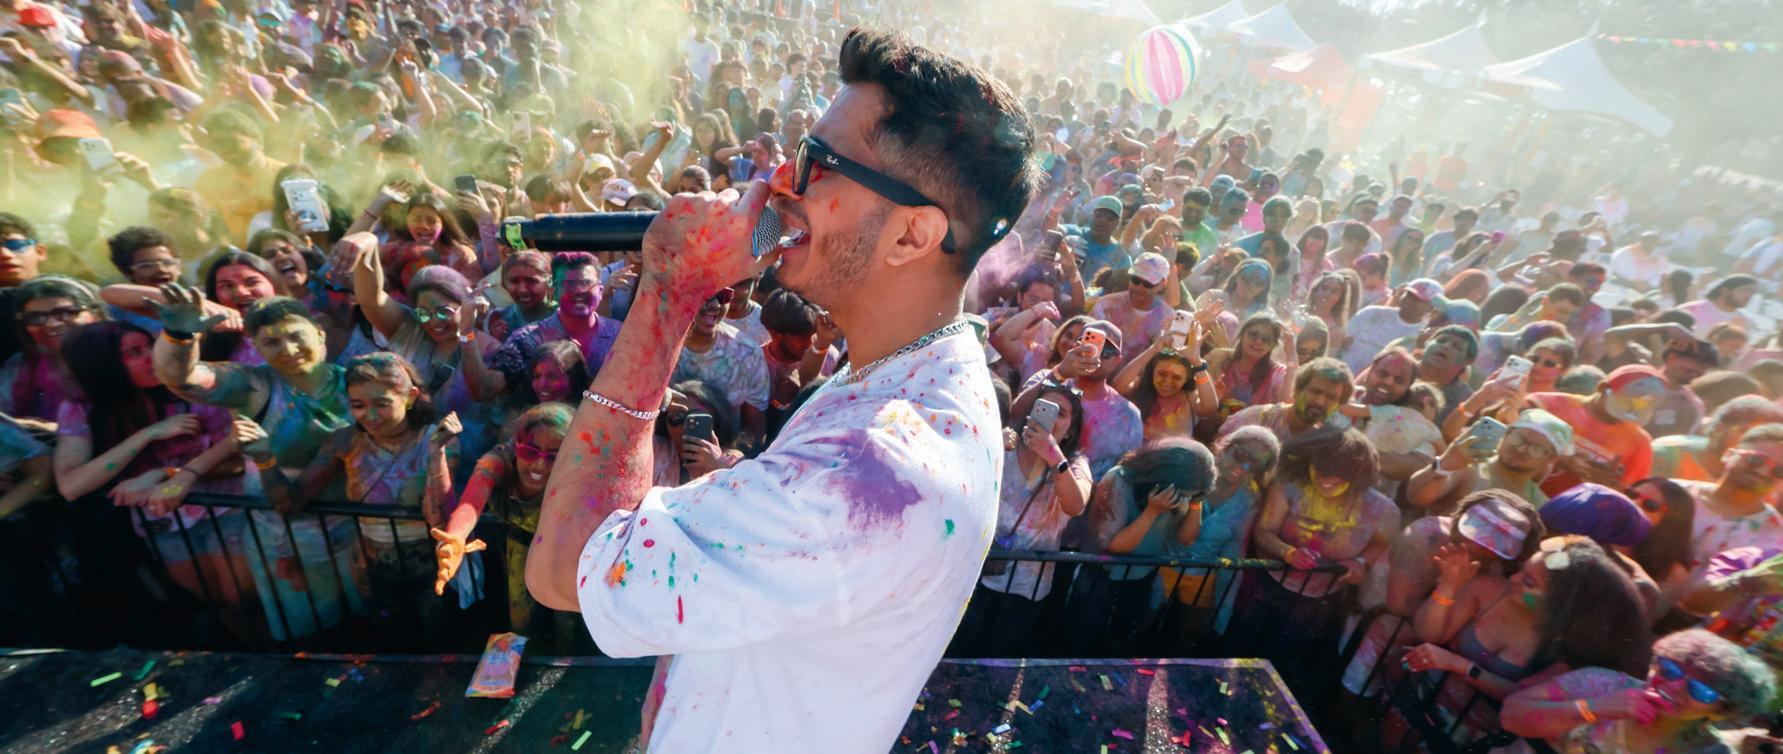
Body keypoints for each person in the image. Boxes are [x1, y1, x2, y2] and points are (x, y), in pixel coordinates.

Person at [527, 30, 1038, 752]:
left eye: (818, 164)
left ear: (911, 235)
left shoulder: (870, 470)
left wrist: (670, 292)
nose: (778, 183)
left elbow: (562, 566)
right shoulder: (916, 370)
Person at [149, 290, 361, 641]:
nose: (288, 349)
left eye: (296, 335)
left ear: (320, 333)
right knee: (312, 639)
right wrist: (179, 337)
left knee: (370, 628)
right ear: (257, 348)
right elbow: (183, 379)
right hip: (288, 543)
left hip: (358, 535)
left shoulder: (355, 382)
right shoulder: (254, 385)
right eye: (271, 342)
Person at [52, 321, 258, 637]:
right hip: (163, 523)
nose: (152, 356)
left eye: (150, 345)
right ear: (104, 366)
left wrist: (165, 474)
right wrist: (148, 434)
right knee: (218, 602)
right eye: (135, 352)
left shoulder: (196, 386)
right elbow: (71, 486)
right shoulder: (82, 407)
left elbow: (242, 457)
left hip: (227, 508)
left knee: (242, 598)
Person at [1404, 536, 1653, 737]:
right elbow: (1428, 634)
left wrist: (1460, 665)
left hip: (1473, 732)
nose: (1514, 579)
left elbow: (1520, 698)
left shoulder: (1567, 650)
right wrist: (1449, 584)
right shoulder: (1489, 591)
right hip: (1421, 700)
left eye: (1529, 582)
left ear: (1559, 604)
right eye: (1522, 570)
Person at [1243, 427, 1398, 683]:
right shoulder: (1289, 486)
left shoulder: (1382, 509)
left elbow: (1380, 544)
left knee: (1289, 668)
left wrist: (1361, 563)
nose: (1326, 479)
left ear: (1357, 474)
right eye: (1320, 469)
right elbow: (1264, 531)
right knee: (1246, 652)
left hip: (1324, 603)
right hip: (1269, 589)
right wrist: (1287, 552)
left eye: (1337, 474)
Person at [431, 402, 586, 651]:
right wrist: (456, 536)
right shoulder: (497, 461)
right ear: (517, 446)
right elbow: (472, 501)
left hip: (566, 553)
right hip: (520, 548)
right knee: (521, 620)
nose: (539, 465)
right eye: (530, 452)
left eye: (553, 456)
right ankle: (524, 665)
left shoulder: (583, 470)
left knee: (568, 622)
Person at [956, 382, 1090, 653]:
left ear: (1071, 430)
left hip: (1027, 585)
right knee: (962, 650)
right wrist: (990, 446)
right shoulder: (1006, 445)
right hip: (976, 574)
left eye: (1061, 413)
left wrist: (1054, 457)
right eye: (1044, 408)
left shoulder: (1074, 464)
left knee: (1003, 656)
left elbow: (1075, 506)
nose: (1051, 416)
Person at [1501, 629, 1776, 753]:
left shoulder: (1709, 751)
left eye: (1700, 690)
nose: (1673, 685)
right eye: (1669, 669)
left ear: (1721, 712)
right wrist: (1593, 708)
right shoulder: (1602, 683)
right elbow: (1510, 716)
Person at [1075, 437, 1218, 652]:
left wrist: (1196, 501)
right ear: (1163, 477)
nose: (1183, 499)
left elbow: (1186, 539)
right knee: (1085, 638)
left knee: (1120, 641)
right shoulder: (1119, 479)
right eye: (1183, 495)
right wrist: (1152, 512)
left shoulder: (1183, 490)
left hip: (1141, 576)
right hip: (1101, 576)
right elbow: (1111, 543)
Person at [1154, 426, 1280, 635]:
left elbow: (1235, 551)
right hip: (1161, 564)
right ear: (1225, 446)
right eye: (1241, 455)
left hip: (1204, 575)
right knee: (1146, 622)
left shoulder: (1249, 500)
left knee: (1189, 633)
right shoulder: (1192, 471)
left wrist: (1224, 606)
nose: (1244, 466)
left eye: (1256, 465)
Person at [471, 252, 622, 403]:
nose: (579, 291)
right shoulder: (526, 340)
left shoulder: (620, 335)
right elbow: (487, 390)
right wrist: (466, 333)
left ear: (600, 291)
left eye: (586, 283)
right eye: (569, 284)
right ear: (553, 291)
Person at [1015, 321, 1144, 478]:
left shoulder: (1128, 416)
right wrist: (1059, 373)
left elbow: (1124, 474)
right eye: (1089, 344)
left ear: (1118, 360)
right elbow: (1016, 415)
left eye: (1106, 350)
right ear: (1075, 347)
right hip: (1024, 484)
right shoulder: (1047, 379)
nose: (1096, 353)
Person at [1526, 364, 1661, 496]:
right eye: (1625, 401)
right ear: (1603, 388)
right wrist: (1563, 461)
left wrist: (1608, 487)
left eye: (1641, 406)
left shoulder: (1639, 444)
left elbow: (1629, 498)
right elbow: (1515, 443)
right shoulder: (1546, 404)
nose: (1630, 410)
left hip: (1571, 510)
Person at [1409, 408, 1571, 513]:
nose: (1521, 449)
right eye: (1517, 438)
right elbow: (1416, 498)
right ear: (1505, 434)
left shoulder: (1539, 504)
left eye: (1536, 448)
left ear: (1551, 458)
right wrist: (1444, 465)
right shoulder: (1470, 469)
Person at [1678, 423, 1783, 568]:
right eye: (1756, 460)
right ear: (1728, 455)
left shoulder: (1776, 534)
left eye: (1779, 470)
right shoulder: (1674, 493)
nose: (1763, 471)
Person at [1, 276, 102, 421]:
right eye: (34, 318)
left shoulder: (123, 358)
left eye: (65, 313)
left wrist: (60, 430)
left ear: (96, 315)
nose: (51, 324)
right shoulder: (21, 366)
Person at [1651, 396, 1783, 483]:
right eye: (1745, 432)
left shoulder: (1770, 477)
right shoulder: (1666, 455)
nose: (1757, 445)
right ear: (1719, 429)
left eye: (1768, 438)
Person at [1339, 278, 1441, 374]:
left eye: (1418, 300)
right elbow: (1342, 342)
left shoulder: (1422, 336)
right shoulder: (1372, 313)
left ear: (1431, 307)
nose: (1409, 301)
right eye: (1409, 295)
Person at [1206, 314, 1293, 422]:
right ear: (1242, 334)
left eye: (1266, 339)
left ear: (1273, 345)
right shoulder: (1219, 359)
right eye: (1253, 334)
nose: (1258, 341)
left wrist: (1292, 357)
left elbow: (1286, 407)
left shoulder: (1277, 373)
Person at [1091, 251, 1172, 358]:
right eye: (1135, 280)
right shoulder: (1106, 305)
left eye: (1148, 283)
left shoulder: (1167, 319)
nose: (1140, 287)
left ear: (1163, 284)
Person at [1648, 337, 1718, 438]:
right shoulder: (1634, 383)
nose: (1700, 371)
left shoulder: (1691, 405)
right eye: (1698, 363)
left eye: (1705, 367)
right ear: (1672, 358)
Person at [1677, 275, 1758, 339]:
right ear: (1724, 291)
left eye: (1752, 292)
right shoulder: (1691, 309)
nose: (1748, 295)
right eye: (1743, 290)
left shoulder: (1745, 322)